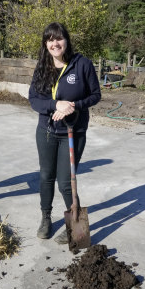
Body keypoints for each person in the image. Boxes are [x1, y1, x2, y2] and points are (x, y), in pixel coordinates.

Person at [28, 22, 101, 244]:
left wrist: (74, 106)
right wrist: (55, 105)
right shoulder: (42, 67)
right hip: (47, 131)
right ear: (45, 44)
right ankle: (46, 218)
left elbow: (95, 95)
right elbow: (34, 99)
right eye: (50, 40)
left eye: (58, 38)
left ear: (66, 41)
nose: (54, 43)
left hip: (74, 131)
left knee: (66, 182)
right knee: (45, 177)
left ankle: (75, 226)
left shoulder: (82, 64)